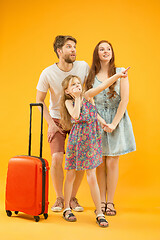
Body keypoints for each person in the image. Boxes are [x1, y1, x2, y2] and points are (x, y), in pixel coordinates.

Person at [60, 70, 128, 226]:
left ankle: (99, 212)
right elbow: (76, 116)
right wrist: (77, 98)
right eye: (73, 85)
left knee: (91, 176)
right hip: (77, 142)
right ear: (67, 91)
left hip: (91, 141)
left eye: (78, 84)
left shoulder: (88, 96)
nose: (78, 86)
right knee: (71, 174)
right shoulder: (69, 102)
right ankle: (66, 208)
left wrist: (103, 122)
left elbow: (103, 88)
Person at [36, 35, 90, 212]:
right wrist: (51, 124)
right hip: (57, 119)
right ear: (59, 51)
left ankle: (72, 198)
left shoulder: (83, 67)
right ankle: (59, 198)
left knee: (80, 161)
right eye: (69, 47)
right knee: (57, 157)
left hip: (78, 119)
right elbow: (39, 100)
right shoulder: (47, 72)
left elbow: (89, 91)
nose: (73, 50)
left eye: (74, 46)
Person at [85, 40, 136, 216]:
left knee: (113, 161)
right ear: (97, 53)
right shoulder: (91, 75)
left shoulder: (121, 72)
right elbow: (88, 102)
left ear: (112, 52)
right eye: (102, 49)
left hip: (117, 119)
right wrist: (100, 121)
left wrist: (113, 123)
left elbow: (125, 100)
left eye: (108, 49)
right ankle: (100, 202)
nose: (105, 52)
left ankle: (110, 202)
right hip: (97, 121)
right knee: (99, 164)